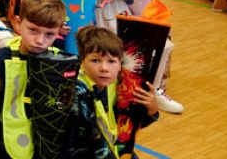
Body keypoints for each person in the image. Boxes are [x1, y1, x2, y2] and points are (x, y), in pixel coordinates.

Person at [0, 0, 67, 159]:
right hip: (2, 147)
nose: (40, 40)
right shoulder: (2, 60)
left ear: (59, 31)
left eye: (49, 34)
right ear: (18, 23)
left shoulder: (60, 62)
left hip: (44, 147)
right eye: (33, 30)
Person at [63, 27, 159, 159]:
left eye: (111, 61)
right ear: (82, 62)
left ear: (120, 64)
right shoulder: (78, 91)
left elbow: (127, 126)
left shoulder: (117, 85)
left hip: (111, 149)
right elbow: (93, 140)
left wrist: (151, 111)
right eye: (95, 60)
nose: (104, 68)